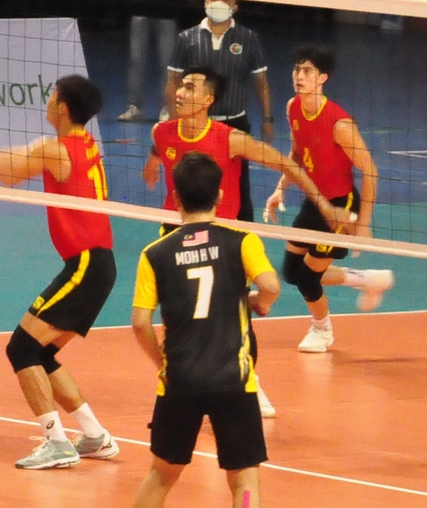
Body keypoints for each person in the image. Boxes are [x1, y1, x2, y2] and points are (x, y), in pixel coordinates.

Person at [0, 75, 124, 469]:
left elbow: (4, 171)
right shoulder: (84, 145)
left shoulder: (56, 150)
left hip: (87, 265)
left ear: (64, 107)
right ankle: (94, 436)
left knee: (20, 348)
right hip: (98, 265)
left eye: (53, 96)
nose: (48, 101)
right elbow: (14, 160)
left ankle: (57, 442)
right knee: (41, 351)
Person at [106, 152, 279, 508]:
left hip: (179, 379)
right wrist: (257, 303)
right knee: (244, 481)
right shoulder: (241, 239)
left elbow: (141, 322)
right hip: (234, 381)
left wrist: (160, 360)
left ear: (176, 197)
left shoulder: (155, 253)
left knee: (160, 475)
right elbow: (272, 287)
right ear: (221, 195)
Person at [145, 67, 350, 416]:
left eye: (190, 87)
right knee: (177, 318)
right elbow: (158, 151)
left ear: (208, 100)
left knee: (236, 319)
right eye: (180, 85)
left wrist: (325, 206)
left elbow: (288, 164)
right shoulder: (162, 131)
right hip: (175, 234)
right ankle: (184, 383)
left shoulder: (230, 139)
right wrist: (151, 167)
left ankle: (249, 383)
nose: (180, 92)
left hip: (224, 239)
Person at [266, 45, 388, 353]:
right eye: (297, 69)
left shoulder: (339, 124)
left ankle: (322, 330)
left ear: (323, 78)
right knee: (292, 272)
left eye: (307, 71)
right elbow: (296, 155)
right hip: (314, 200)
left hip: (338, 206)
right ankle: (367, 279)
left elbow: (370, 171)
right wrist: (281, 188)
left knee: (308, 279)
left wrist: (362, 223)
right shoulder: (293, 107)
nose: (299, 76)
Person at [164, 0, 272, 219]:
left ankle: (243, 233)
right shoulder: (187, 38)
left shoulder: (248, 38)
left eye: (225, 0)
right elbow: (173, 81)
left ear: (235, 7)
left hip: (234, 123)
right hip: (198, 124)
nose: (218, 3)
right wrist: (175, 122)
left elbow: (261, 83)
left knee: (239, 185)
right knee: (192, 178)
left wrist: (267, 119)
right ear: (205, 1)